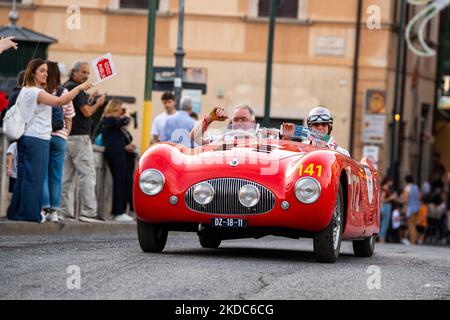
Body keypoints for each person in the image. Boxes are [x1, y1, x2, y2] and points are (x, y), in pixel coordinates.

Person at [7, 58, 92, 223]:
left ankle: (19, 211)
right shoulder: (35, 92)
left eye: (47, 71)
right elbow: (60, 102)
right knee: (35, 178)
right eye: (42, 71)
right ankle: (30, 213)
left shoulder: (28, 90)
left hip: (31, 138)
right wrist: (80, 88)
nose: (46, 74)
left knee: (27, 177)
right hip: (36, 138)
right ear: (32, 73)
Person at [60, 61, 105, 222]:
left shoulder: (66, 86)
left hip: (67, 136)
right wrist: (98, 104)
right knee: (87, 175)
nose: (86, 76)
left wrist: (90, 99)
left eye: (87, 73)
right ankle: (88, 211)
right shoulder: (76, 88)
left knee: (66, 177)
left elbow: (80, 108)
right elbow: (86, 112)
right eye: (83, 72)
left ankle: (65, 211)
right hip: (80, 138)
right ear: (74, 72)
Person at [41, 61, 76, 223]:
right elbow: (69, 117)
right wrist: (65, 134)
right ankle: (54, 211)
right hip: (60, 137)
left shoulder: (41, 90)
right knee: (56, 175)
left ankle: (43, 207)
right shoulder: (64, 91)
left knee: (43, 173)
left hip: (44, 135)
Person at [100, 99, 134, 222]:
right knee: (119, 180)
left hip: (118, 152)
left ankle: (121, 210)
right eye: (121, 109)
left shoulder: (112, 121)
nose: (122, 112)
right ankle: (118, 211)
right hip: (114, 152)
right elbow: (125, 121)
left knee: (124, 180)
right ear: (115, 108)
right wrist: (128, 113)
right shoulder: (108, 119)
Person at [281, 106, 350, 156]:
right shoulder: (302, 148)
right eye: (316, 124)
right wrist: (286, 140)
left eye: (324, 124)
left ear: (329, 127)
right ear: (310, 128)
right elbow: (285, 158)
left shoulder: (341, 153)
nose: (320, 127)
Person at [189, 105, 255, 145]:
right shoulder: (222, 140)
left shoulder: (260, 141)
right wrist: (209, 118)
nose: (239, 123)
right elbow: (193, 137)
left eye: (244, 119)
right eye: (236, 119)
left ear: (253, 123)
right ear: (232, 123)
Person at [401, 174, 422, 245]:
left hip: (410, 208)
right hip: (417, 207)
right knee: (414, 224)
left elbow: (406, 199)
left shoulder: (407, 188)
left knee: (410, 225)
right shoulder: (416, 187)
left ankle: (413, 241)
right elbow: (419, 197)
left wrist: (403, 203)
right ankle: (415, 240)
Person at [379, 176, 397, 243]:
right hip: (386, 206)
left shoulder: (384, 188)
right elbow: (382, 200)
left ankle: (382, 238)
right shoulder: (385, 188)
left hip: (385, 206)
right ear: (388, 181)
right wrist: (391, 198)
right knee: (385, 223)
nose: (391, 183)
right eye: (391, 181)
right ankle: (382, 239)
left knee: (384, 223)